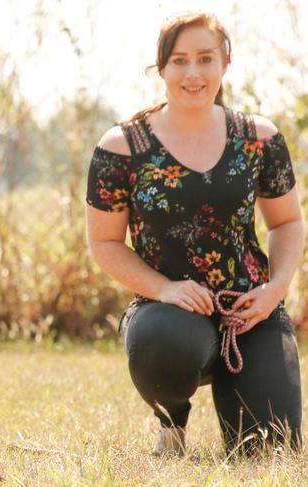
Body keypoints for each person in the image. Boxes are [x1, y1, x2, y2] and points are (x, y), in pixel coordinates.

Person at [85, 11, 304, 456]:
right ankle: (173, 422)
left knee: (270, 450)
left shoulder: (260, 138)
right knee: (165, 345)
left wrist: (273, 291)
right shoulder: (122, 147)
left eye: (205, 59)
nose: (192, 73)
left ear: (225, 63)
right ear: (161, 67)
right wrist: (165, 289)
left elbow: (287, 223)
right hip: (167, 315)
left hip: (250, 311)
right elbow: (104, 243)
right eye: (179, 60)